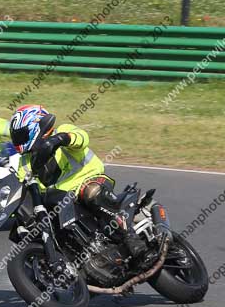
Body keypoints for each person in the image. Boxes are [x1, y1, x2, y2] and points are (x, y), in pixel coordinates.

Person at [8, 104, 154, 265]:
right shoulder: (24, 163)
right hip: (63, 201)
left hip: (90, 181)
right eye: (16, 136)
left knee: (90, 192)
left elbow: (82, 138)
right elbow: (23, 188)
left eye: (22, 135)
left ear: (37, 125)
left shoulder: (62, 131)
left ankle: (130, 237)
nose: (18, 141)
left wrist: (62, 139)